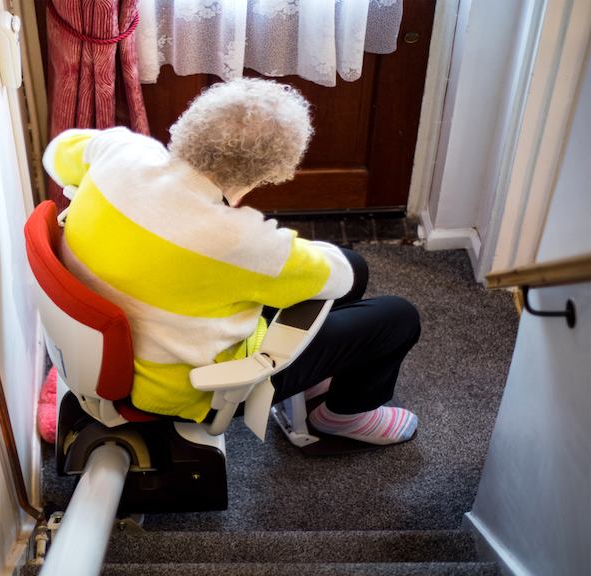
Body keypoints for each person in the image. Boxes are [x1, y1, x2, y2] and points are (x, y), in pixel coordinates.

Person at [43, 78, 419, 446]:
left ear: (192, 120)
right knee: (396, 317)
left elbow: (57, 157)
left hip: (101, 342)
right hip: (186, 388)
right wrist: (274, 245)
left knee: (343, 274)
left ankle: (324, 377)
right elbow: (340, 276)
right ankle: (342, 417)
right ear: (271, 171)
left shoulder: (121, 150)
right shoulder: (239, 241)